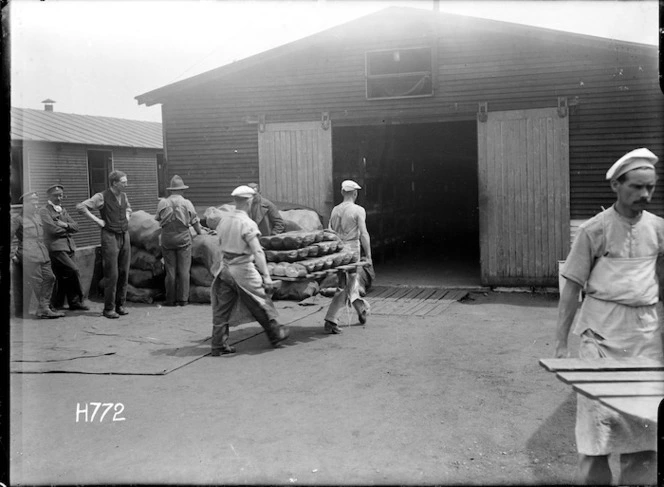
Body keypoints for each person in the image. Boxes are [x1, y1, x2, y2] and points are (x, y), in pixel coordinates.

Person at [555, 147, 663, 485]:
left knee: (644, 429)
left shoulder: (659, 229)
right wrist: (561, 343)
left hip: (645, 337)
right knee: (596, 429)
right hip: (599, 338)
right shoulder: (593, 230)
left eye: (651, 187)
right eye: (636, 186)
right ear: (616, 185)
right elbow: (571, 289)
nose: (645, 194)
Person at [210, 185, 290, 356]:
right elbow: (258, 251)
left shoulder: (224, 220)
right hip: (243, 268)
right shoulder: (247, 223)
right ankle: (276, 334)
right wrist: (267, 277)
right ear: (249, 201)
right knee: (261, 301)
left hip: (225, 268)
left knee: (222, 308)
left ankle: (218, 345)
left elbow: (219, 242)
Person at [77, 170, 132, 319]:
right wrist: (97, 220)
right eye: (123, 182)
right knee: (112, 274)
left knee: (124, 272)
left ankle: (120, 305)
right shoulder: (101, 196)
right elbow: (81, 207)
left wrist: (127, 216)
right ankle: (109, 309)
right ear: (114, 183)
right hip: (110, 236)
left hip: (124, 235)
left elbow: (128, 208)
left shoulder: (124, 196)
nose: (126, 184)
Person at [323, 180, 373, 334]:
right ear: (355, 193)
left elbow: (330, 232)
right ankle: (331, 319)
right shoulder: (358, 210)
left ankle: (361, 309)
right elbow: (363, 234)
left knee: (348, 282)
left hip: (338, 249)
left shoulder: (334, 210)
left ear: (342, 192)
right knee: (348, 284)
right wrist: (369, 255)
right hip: (352, 250)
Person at [10, 191, 65, 319]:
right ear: (25, 204)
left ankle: (43, 307)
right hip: (28, 253)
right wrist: (13, 254)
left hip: (42, 252)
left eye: (36, 203)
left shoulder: (38, 217)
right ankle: (44, 308)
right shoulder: (17, 219)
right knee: (38, 281)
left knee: (50, 278)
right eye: (32, 203)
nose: (35, 206)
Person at [155, 175, 206, 306]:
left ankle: (170, 299)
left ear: (171, 190)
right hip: (183, 238)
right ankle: (183, 299)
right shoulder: (187, 203)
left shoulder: (163, 202)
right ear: (182, 190)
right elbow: (194, 221)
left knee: (170, 270)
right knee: (184, 270)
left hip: (167, 238)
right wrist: (200, 233)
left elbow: (157, 219)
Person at [39, 184, 89, 311]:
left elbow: (76, 226)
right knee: (74, 271)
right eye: (56, 195)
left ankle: (72, 303)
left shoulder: (62, 210)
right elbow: (52, 230)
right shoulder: (44, 211)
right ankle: (77, 300)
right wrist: (68, 229)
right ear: (49, 196)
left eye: (61, 195)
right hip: (56, 248)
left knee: (63, 276)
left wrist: (65, 225)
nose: (59, 198)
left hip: (69, 247)